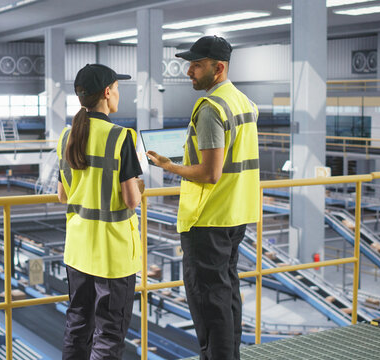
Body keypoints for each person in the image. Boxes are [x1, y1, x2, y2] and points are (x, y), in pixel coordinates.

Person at [147, 35, 260, 360]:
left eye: (197, 65)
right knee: (226, 296)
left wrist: (170, 166)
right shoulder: (245, 103)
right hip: (236, 214)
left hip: (208, 219)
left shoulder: (212, 109)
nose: (189, 72)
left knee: (209, 304)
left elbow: (210, 173)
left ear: (218, 67)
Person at [57, 64, 144, 360]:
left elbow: (62, 195)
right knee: (109, 333)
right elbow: (131, 201)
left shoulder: (67, 136)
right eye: (117, 88)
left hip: (79, 250)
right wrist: (139, 187)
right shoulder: (121, 137)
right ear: (107, 93)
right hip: (113, 255)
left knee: (77, 325)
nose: (119, 94)